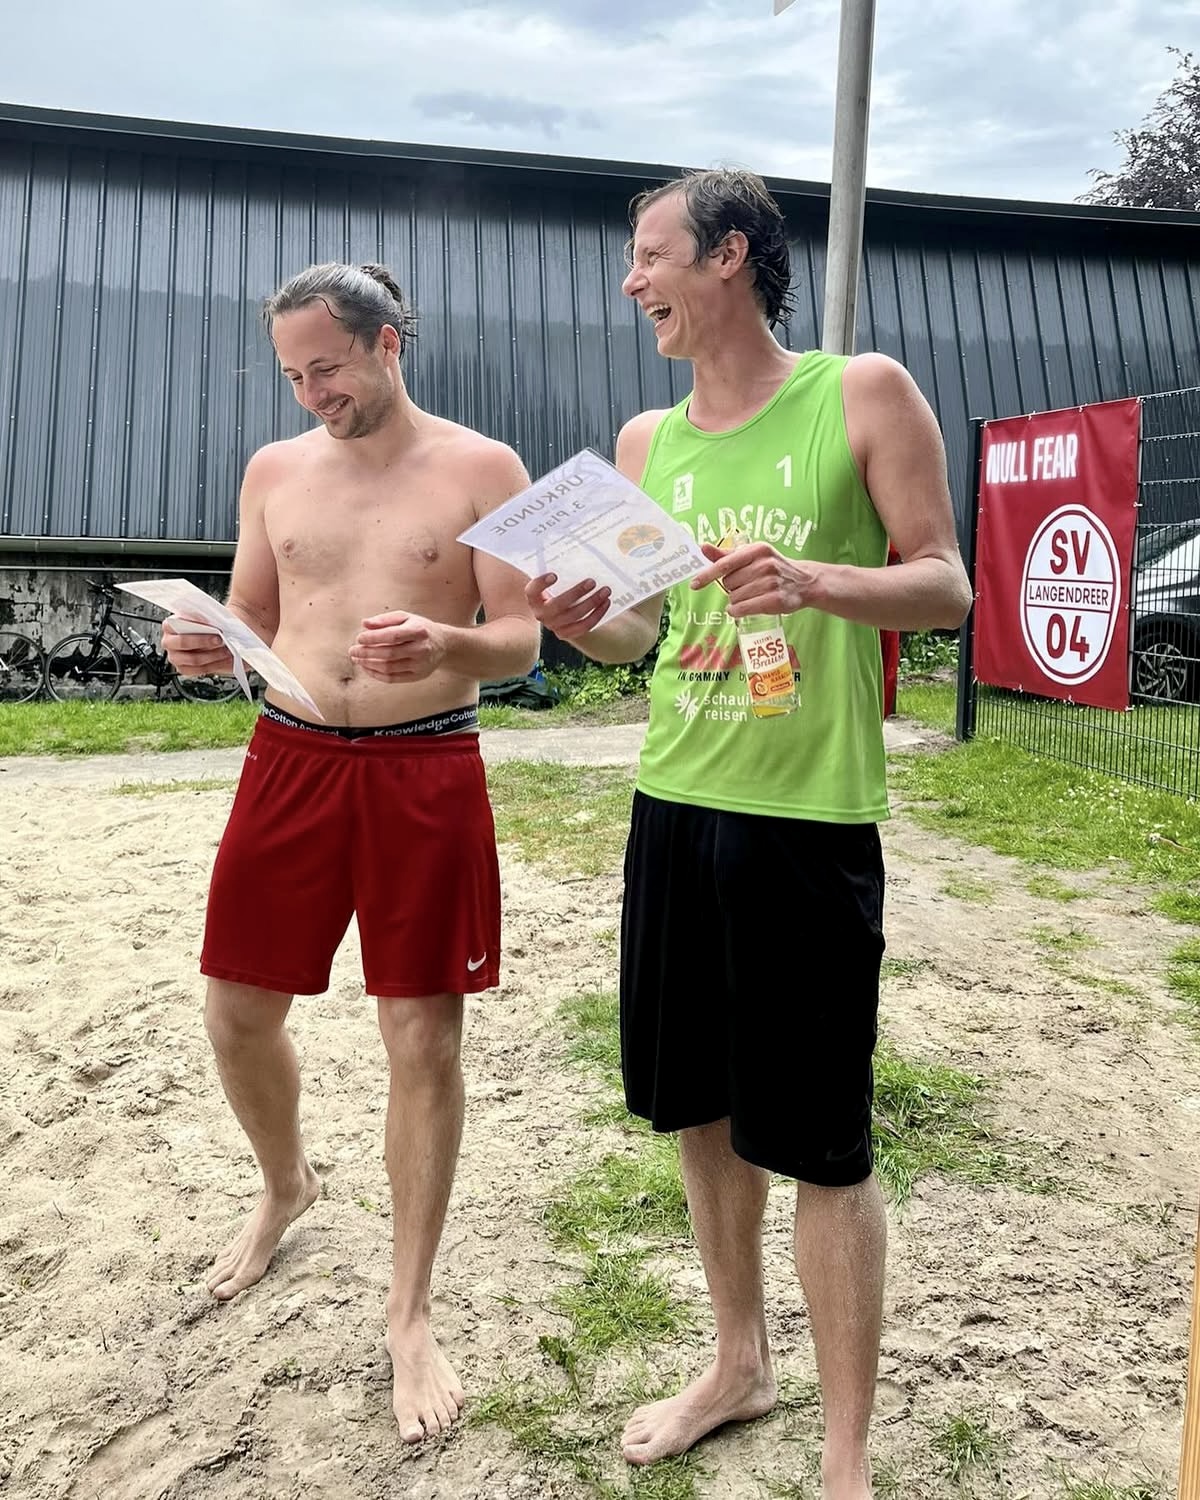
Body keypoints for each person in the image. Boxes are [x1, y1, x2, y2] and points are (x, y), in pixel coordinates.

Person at [526, 170, 971, 1499]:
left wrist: (819, 578)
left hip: (809, 818)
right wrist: (578, 621)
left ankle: (845, 1455)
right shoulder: (648, 440)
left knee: (824, 1141)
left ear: (729, 257)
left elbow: (944, 585)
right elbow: (644, 632)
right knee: (701, 1108)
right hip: (677, 803)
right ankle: (737, 1363)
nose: (630, 280)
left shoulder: (862, 392)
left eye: (648, 255)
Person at [162, 262, 540, 1444]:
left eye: (327, 365)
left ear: (388, 343)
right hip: (290, 756)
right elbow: (253, 620)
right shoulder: (275, 470)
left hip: (426, 763)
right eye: (292, 374)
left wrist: (445, 641)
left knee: (420, 1034)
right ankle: (287, 1184)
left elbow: (524, 643)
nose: (311, 391)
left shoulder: (486, 468)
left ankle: (410, 1311)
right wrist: (209, 648)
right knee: (235, 1008)